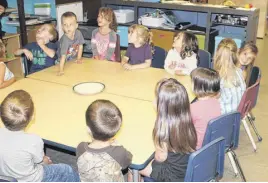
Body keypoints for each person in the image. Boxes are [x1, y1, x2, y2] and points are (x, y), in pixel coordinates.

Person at [0, 90, 80, 182]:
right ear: (32, 117)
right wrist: (46, 161)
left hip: (5, 177)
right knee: (66, 170)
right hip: (31, 179)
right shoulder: (33, 141)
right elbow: (42, 162)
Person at [139, 78, 197, 182]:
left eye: (156, 97)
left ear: (162, 106)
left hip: (172, 175)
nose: (153, 100)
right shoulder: (186, 121)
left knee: (135, 167)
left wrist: (153, 158)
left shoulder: (162, 130)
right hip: (187, 168)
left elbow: (160, 158)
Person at [76, 99, 132, 182]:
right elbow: (127, 161)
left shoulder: (81, 148)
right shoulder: (118, 151)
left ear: (88, 129)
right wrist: (117, 146)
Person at [190, 67, 221, 149]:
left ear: (198, 87)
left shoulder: (193, 108)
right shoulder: (216, 102)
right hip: (210, 144)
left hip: (195, 147)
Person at [214, 38, 246, 114]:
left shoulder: (220, 76)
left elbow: (215, 96)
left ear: (217, 54)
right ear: (237, 53)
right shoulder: (239, 71)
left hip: (224, 116)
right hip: (237, 113)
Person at [58, 12, 85, 76]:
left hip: (73, 59)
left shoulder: (78, 33)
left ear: (76, 25)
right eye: (65, 25)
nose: (68, 27)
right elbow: (63, 56)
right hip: (61, 61)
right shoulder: (65, 40)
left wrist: (78, 58)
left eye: (71, 24)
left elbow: (80, 46)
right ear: (62, 27)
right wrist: (61, 70)